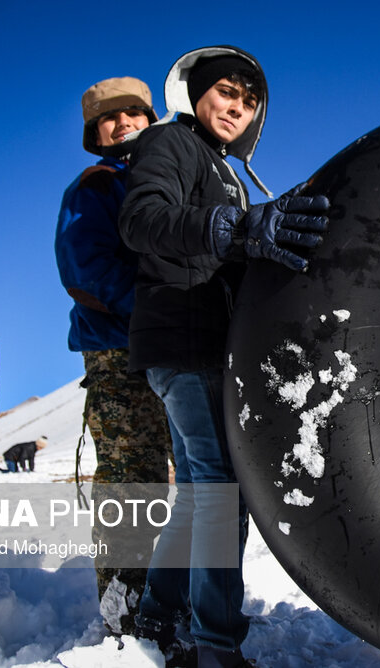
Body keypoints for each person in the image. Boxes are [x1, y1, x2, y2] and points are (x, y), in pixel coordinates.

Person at [118, 45, 329, 668]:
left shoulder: (222, 169)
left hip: (204, 343)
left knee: (198, 493)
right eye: (225, 94)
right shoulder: (169, 145)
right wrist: (231, 229)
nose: (236, 108)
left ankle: (157, 614)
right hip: (184, 338)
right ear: (197, 95)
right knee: (220, 493)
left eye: (247, 101)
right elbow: (142, 218)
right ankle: (213, 644)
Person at [55, 75, 172, 637]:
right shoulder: (93, 189)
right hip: (119, 351)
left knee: (204, 477)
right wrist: (153, 310)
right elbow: (86, 272)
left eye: (134, 113)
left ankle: (179, 596)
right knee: (132, 478)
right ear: (94, 133)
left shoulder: (171, 180)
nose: (123, 123)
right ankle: (124, 615)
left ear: (151, 119)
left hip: (180, 345)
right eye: (110, 117)